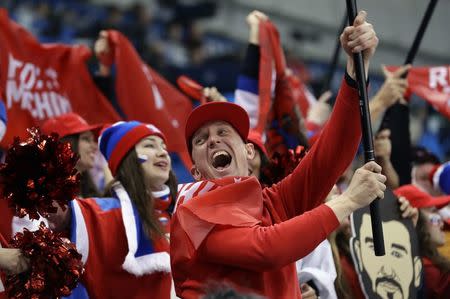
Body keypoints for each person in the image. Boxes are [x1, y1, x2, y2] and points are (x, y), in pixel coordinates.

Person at [170, 10, 385, 299]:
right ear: (195, 171)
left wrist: (356, 73)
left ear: (249, 153)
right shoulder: (192, 214)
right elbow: (266, 249)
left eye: (223, 133)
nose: (212, 141)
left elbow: (328, 159)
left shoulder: (268, 202)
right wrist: (348, 201)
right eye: (201, 139)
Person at [46, 121, 177, 299]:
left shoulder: (180, 210)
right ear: (126, 159)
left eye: (164, 147)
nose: (163, 152)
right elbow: (52, 209)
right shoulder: (104, 212)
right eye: (149, 145)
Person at [350, 190, 422, 299]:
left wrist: (412, 231)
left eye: (397, 254)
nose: (387, 271)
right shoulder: (346, 279)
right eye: (374, 249)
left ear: (417, 270)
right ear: (358, 253)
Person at [394, 184, 450, 298]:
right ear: (416, 221)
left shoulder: (430, 260)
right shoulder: (427, 271)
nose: (442, 223)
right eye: (435, 216)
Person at [41, 112, 104, 198]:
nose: (95, 147)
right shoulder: (44, 197)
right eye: (86, 139)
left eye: (93, 140)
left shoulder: (89, 194)